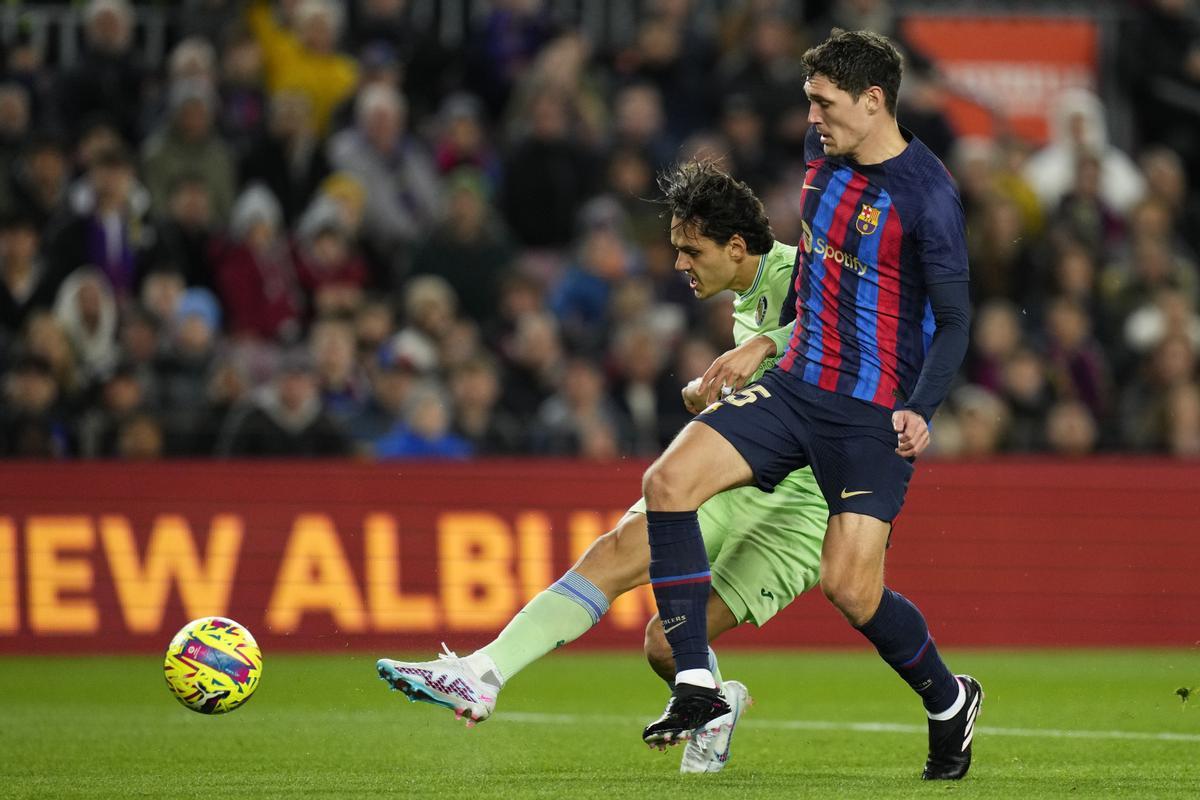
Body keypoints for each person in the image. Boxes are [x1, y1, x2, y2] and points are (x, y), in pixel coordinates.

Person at [376, 160, 828, 774]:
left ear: (737, 246)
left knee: (666, 645)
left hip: (800, 502)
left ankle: (729, 704)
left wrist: (764, 343)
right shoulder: (749, 291)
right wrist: (717, 388)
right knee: (615, 556)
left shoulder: (803, 270)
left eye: (689, 250)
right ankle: (482, 672)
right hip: (736, 473)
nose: (677, 264)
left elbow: (864, 331)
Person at [636, 29, 981, 781]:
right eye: (809, 102)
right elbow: (821, 279)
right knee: (666, 483)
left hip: (871, 412)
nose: (813, 116)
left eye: (824, 102)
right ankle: (697, 682)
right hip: (796, 389)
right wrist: (768, 343)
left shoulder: (927, 198)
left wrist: (921, 408)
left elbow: (956, 322)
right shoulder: (820, 157)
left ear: (873, 101)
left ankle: (949, 700)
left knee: (851, 589)